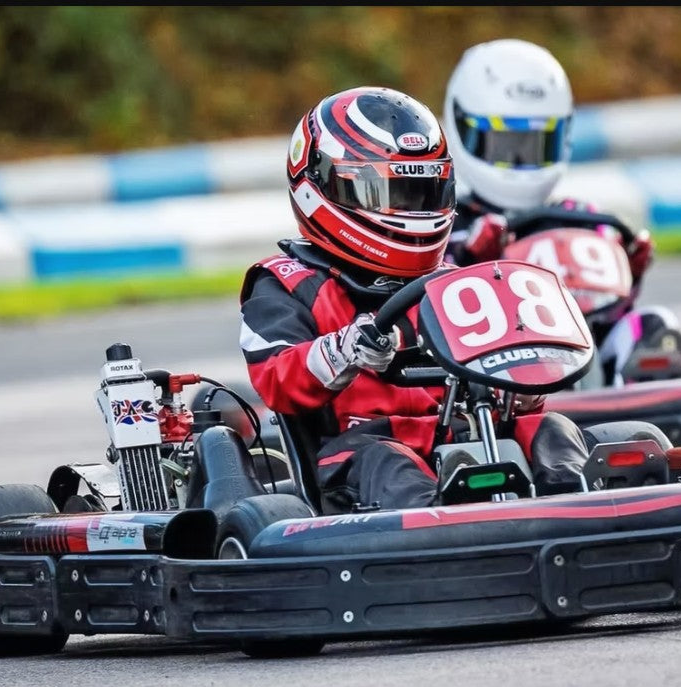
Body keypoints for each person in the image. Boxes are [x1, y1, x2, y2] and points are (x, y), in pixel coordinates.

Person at [238, 86, 592, 514]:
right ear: (321, 186)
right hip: (362, 451)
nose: (412, 211)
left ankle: (584, 510)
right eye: (391, 194)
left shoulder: (454, 280)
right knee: (391, 465)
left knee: (551, 429)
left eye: (423, 194)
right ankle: (445, 527)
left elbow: (501, 374)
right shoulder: (286, 283)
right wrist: (343, 349)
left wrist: (520, 389)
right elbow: (277, 380)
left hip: (464, 434)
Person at [442, 38, 681, 386]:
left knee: (655, 323)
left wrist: (630, 273)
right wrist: (470, 261)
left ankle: (653, 407)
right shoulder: (448, 225)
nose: (523, 159)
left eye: (537, 145)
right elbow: (427, 309)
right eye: (507, 145)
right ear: (463, 126)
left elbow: (610, 319)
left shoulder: (582, 218)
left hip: (588, 363)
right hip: (498, 374)